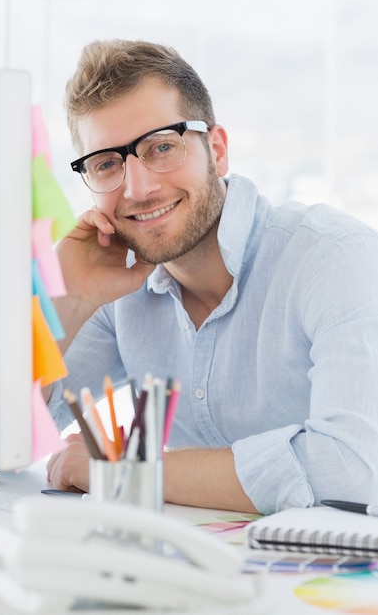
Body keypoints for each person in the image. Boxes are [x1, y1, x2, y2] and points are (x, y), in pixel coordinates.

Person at [46, 38, 378, 515]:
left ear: (217, 151)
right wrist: (70, 299)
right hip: (200, 576)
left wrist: (125, 472)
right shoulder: (116, 289)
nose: (138, 188)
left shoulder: (336, 259)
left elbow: (354, 468)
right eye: (107, 164)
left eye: (162, 147)